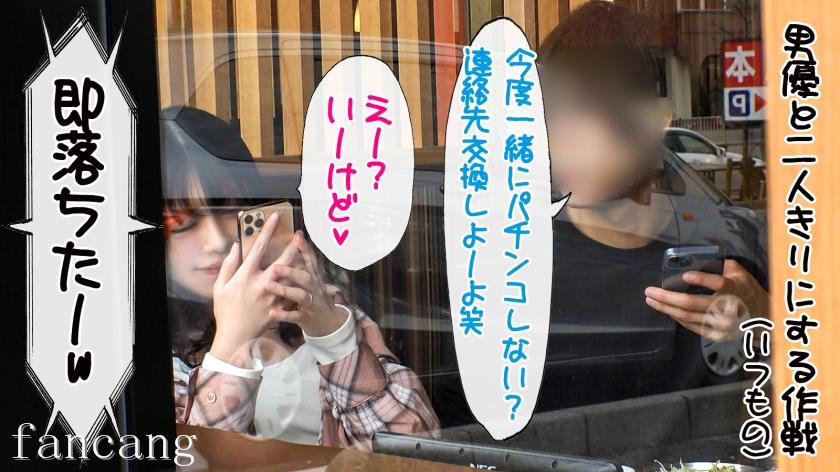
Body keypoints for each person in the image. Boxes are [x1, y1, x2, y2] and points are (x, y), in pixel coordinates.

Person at [161, 106, 440, 449]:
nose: (216, 241)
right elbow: (192, 460)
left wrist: (333, 337)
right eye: (181, 221)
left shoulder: (316, 305)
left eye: (229, 208)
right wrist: (231, 348)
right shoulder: (136, 354)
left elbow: (415, 452)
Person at [538, 1, 769, 398]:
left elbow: (809, 389)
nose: (563, 135)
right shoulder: (521, 265)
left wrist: (765, 321)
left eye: (587, 108)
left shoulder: (734, 242)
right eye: (550, 110)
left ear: (655, 122)